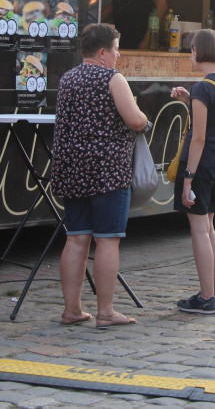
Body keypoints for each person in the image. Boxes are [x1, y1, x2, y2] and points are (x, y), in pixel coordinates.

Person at [51, 23, 150, 328]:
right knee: (108, 240)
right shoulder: (112, 78)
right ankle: (105, 311)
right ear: (103, 52)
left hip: (72, 169)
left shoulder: (68, 79)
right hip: (107, 170)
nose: (119, 56)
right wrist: (144, 117)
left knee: (76, 238)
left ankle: (72, 309)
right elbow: (134, 120)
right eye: (117, 49)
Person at [171, 29, 215, 314]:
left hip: (200, 164)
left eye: (191, 50)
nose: (190, 55)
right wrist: (191, 98)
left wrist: (188, 177)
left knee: (199, 230)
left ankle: (205, 296)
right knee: (209, 227)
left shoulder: (204, 87)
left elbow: (198, 137)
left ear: (200, 51)